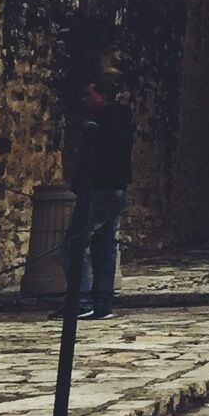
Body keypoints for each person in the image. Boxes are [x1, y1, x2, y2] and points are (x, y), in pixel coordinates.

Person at [66, 75, 135, 321]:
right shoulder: (125, 121)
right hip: (117, 188)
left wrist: (80, 183)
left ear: (102, 96)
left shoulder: (100, 123)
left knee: (75, 244)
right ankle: (103, 304)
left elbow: (94, 158)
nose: (86, 99)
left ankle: (81, 302)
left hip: (99, 189)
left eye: (90, 94)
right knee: (105, 246)